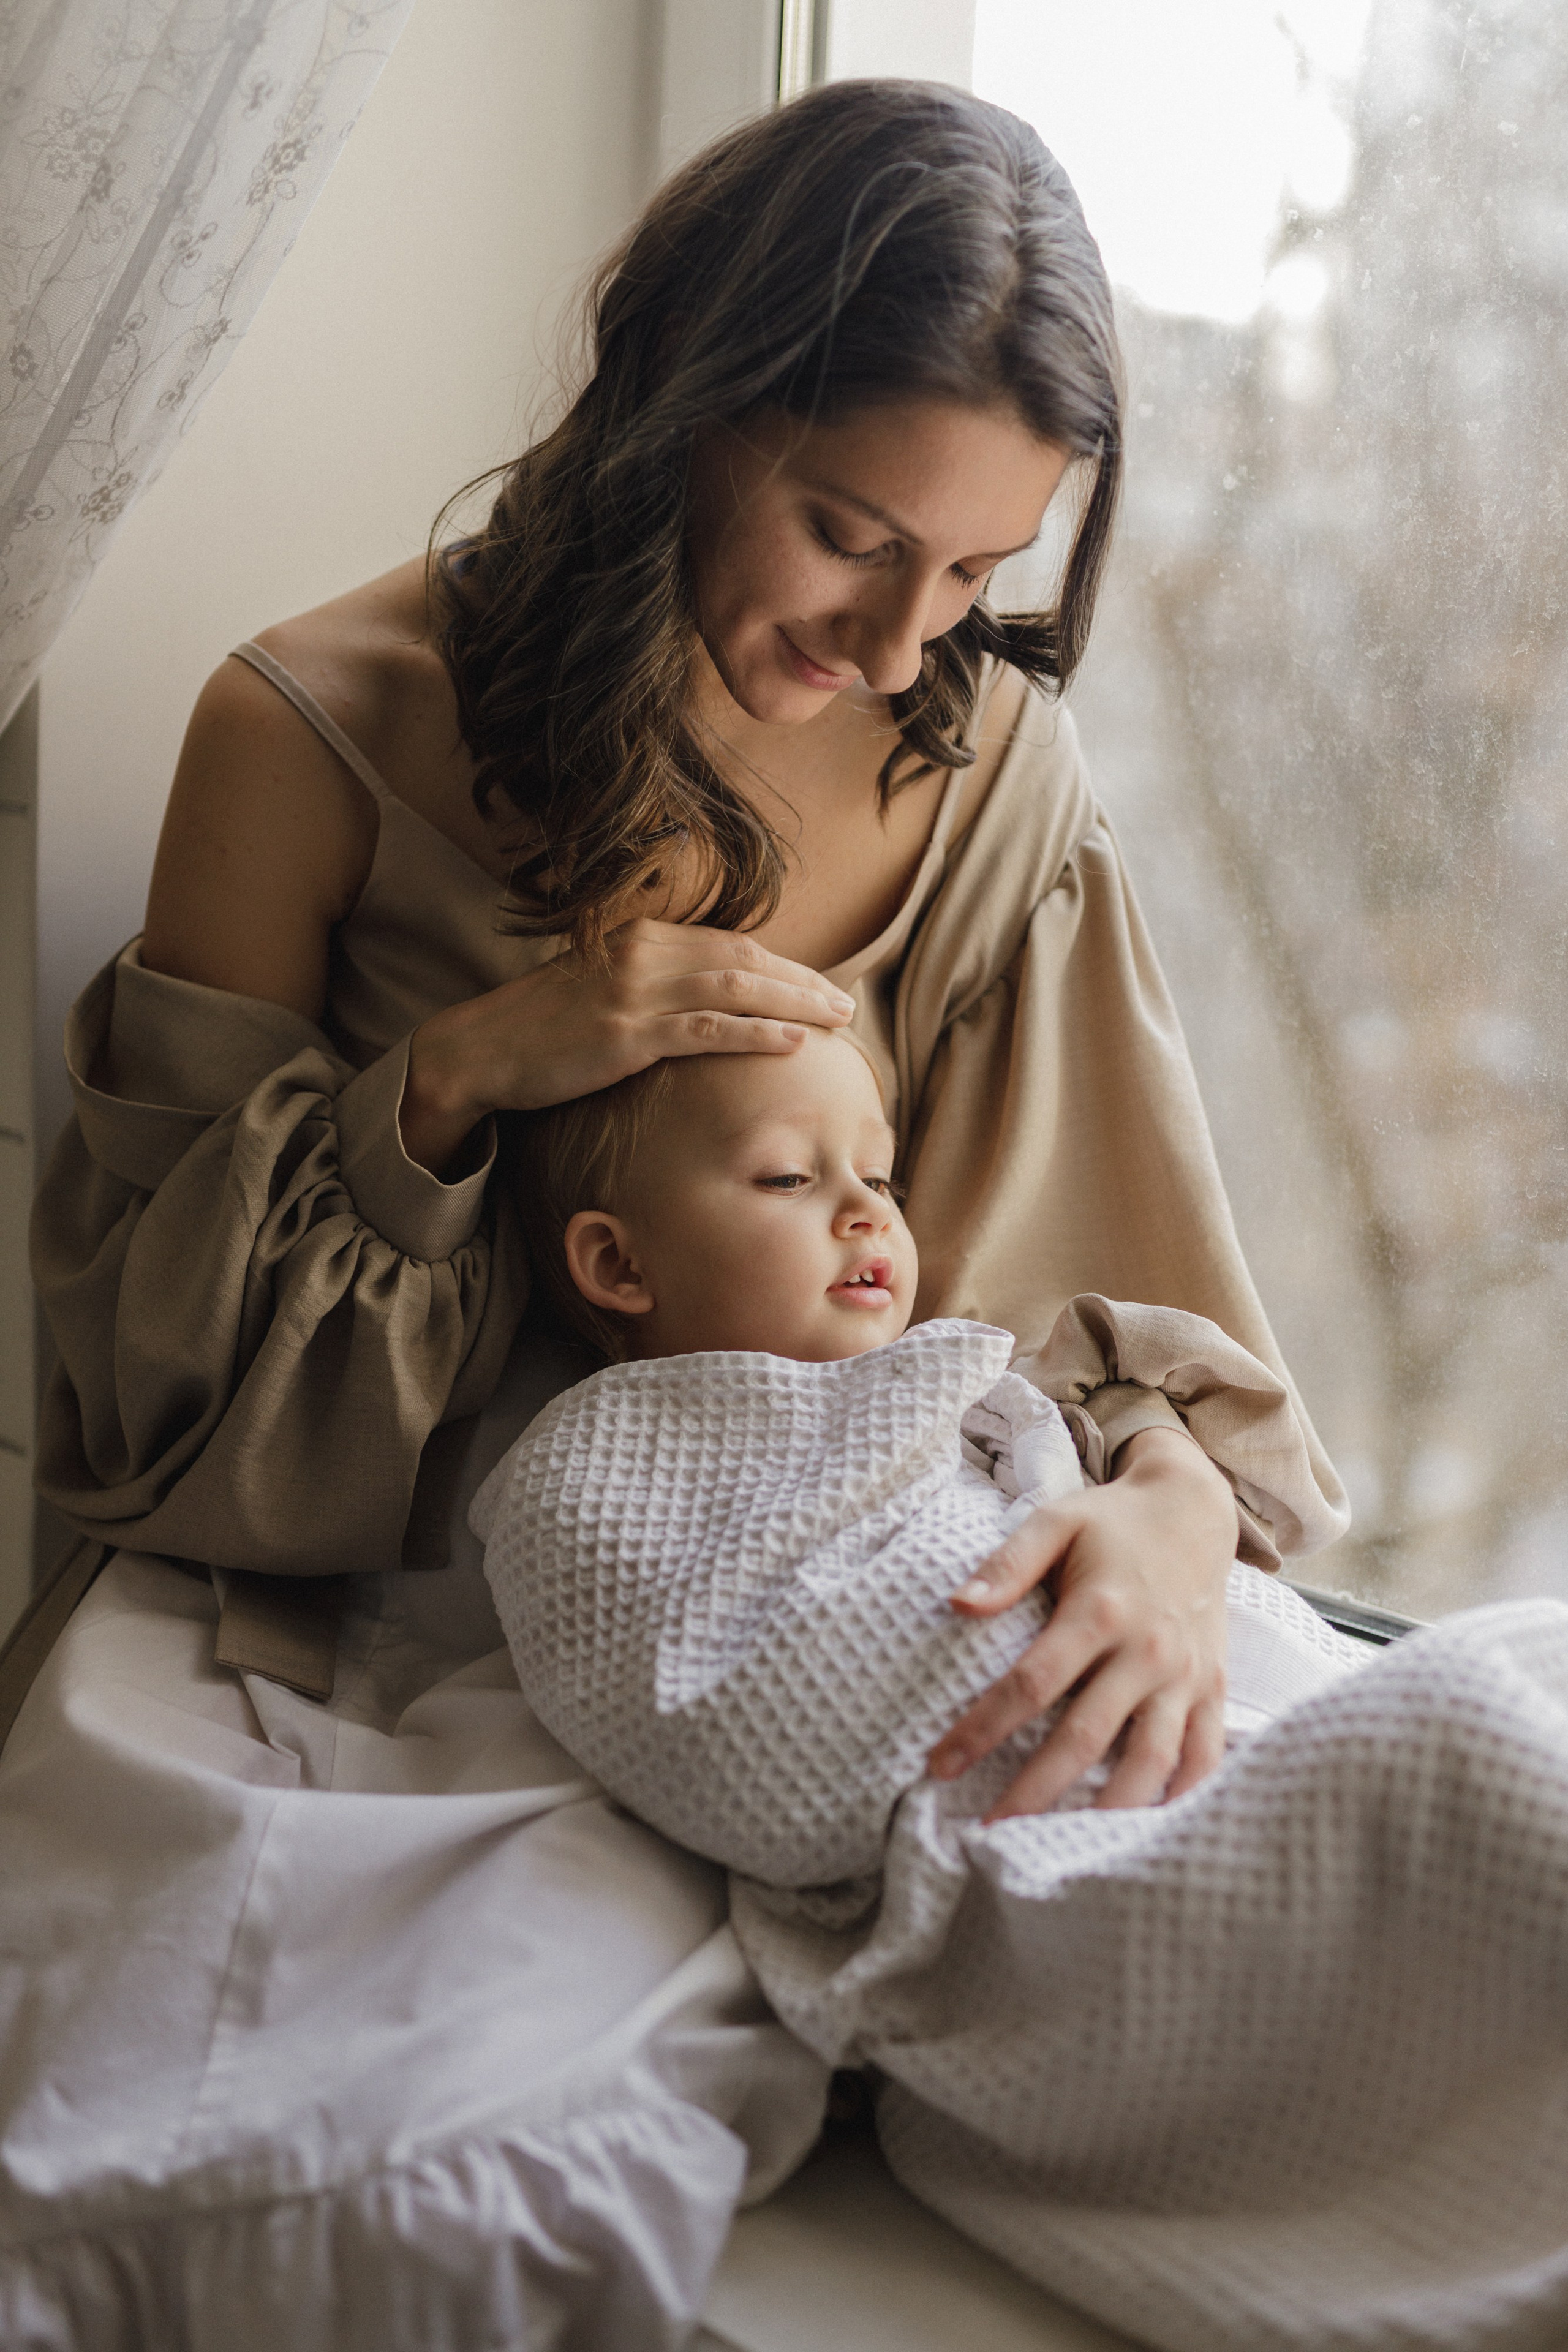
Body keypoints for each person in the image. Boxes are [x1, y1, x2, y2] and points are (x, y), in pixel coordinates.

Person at [2, 79, 1348, 2350]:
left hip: (866, 1556)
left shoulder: (986, 771)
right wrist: (463, 1074)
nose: (906, 641)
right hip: (395, 1600)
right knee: (334, 2168)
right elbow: (157, 1396)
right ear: (683, 410)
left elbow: (1090, 1285)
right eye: (851, 532)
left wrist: (1169, 1526)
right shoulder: (311, 726)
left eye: (981, 574)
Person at [478, 1027, 1568, 2352]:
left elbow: (1160, 1544)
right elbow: (735, 1732)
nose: (863, 1209)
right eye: (786, 1179)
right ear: (615, 1261)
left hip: (1238, 1714)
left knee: (1517, 1662)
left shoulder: (987, 1402)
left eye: (876, 1175)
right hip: (1043, 1852)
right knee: (1462, 1746)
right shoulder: (587, 1467)